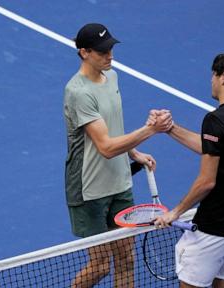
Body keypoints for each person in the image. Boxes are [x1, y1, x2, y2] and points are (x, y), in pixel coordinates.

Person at [63, 23, 172, 288]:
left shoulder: (112, 76)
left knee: (126, 259)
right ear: (84, 52)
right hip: (89, 190)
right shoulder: (78, 92)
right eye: (102, 51)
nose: (109, 55)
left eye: (110, 48)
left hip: (120, 182)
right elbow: (106, 147)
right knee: (100, 266)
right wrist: (150, 130)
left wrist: (134, 153)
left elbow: (113, 126)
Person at [152, 53, 224, 288]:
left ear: (223, 77)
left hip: (214, 228)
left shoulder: (216, 120)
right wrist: (170, 128)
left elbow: (206, 181)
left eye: (214, 75)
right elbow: (213, 146)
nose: (212, 80)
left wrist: (175, 212)